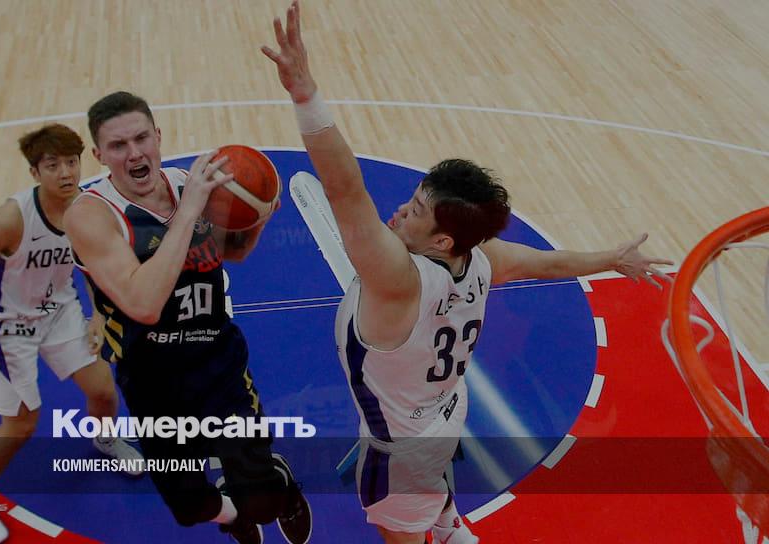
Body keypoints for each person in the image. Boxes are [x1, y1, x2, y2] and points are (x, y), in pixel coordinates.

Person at [261, 3, 674, 543]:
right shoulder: (483, 259)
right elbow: (550, 263)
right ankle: (453, 529)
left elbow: (345, 189)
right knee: (437, 488)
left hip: (400, 455)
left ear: (442, 241)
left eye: (415, 210)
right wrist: (611, 259)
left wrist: (305, 95)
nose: (399, 212)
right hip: (447, 412)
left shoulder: (398, 280)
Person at [63, 91, 312, 544]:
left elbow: (233, 253)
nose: (134, 153)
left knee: (263, 501)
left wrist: (257, 219)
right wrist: (190, 210)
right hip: (150, 380)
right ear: (99, 156)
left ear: (158, 137)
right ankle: (231, 512)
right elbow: (143, 304)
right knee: (189, 505)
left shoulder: (187, 186)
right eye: (118, 146)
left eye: (142, 138)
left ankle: (278, 488)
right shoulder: (91, 215)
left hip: (217, 364)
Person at [0, 124, 144, 544]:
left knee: (103, 390)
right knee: (21, 425)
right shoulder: (11, 218)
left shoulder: (86, 210)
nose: (66, 172)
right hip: (8, 324)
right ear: (35, 172)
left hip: (60, 312)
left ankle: (105, 440)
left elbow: (92, 263)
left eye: (71, 162)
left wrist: (96, 315)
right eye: (53, 165)